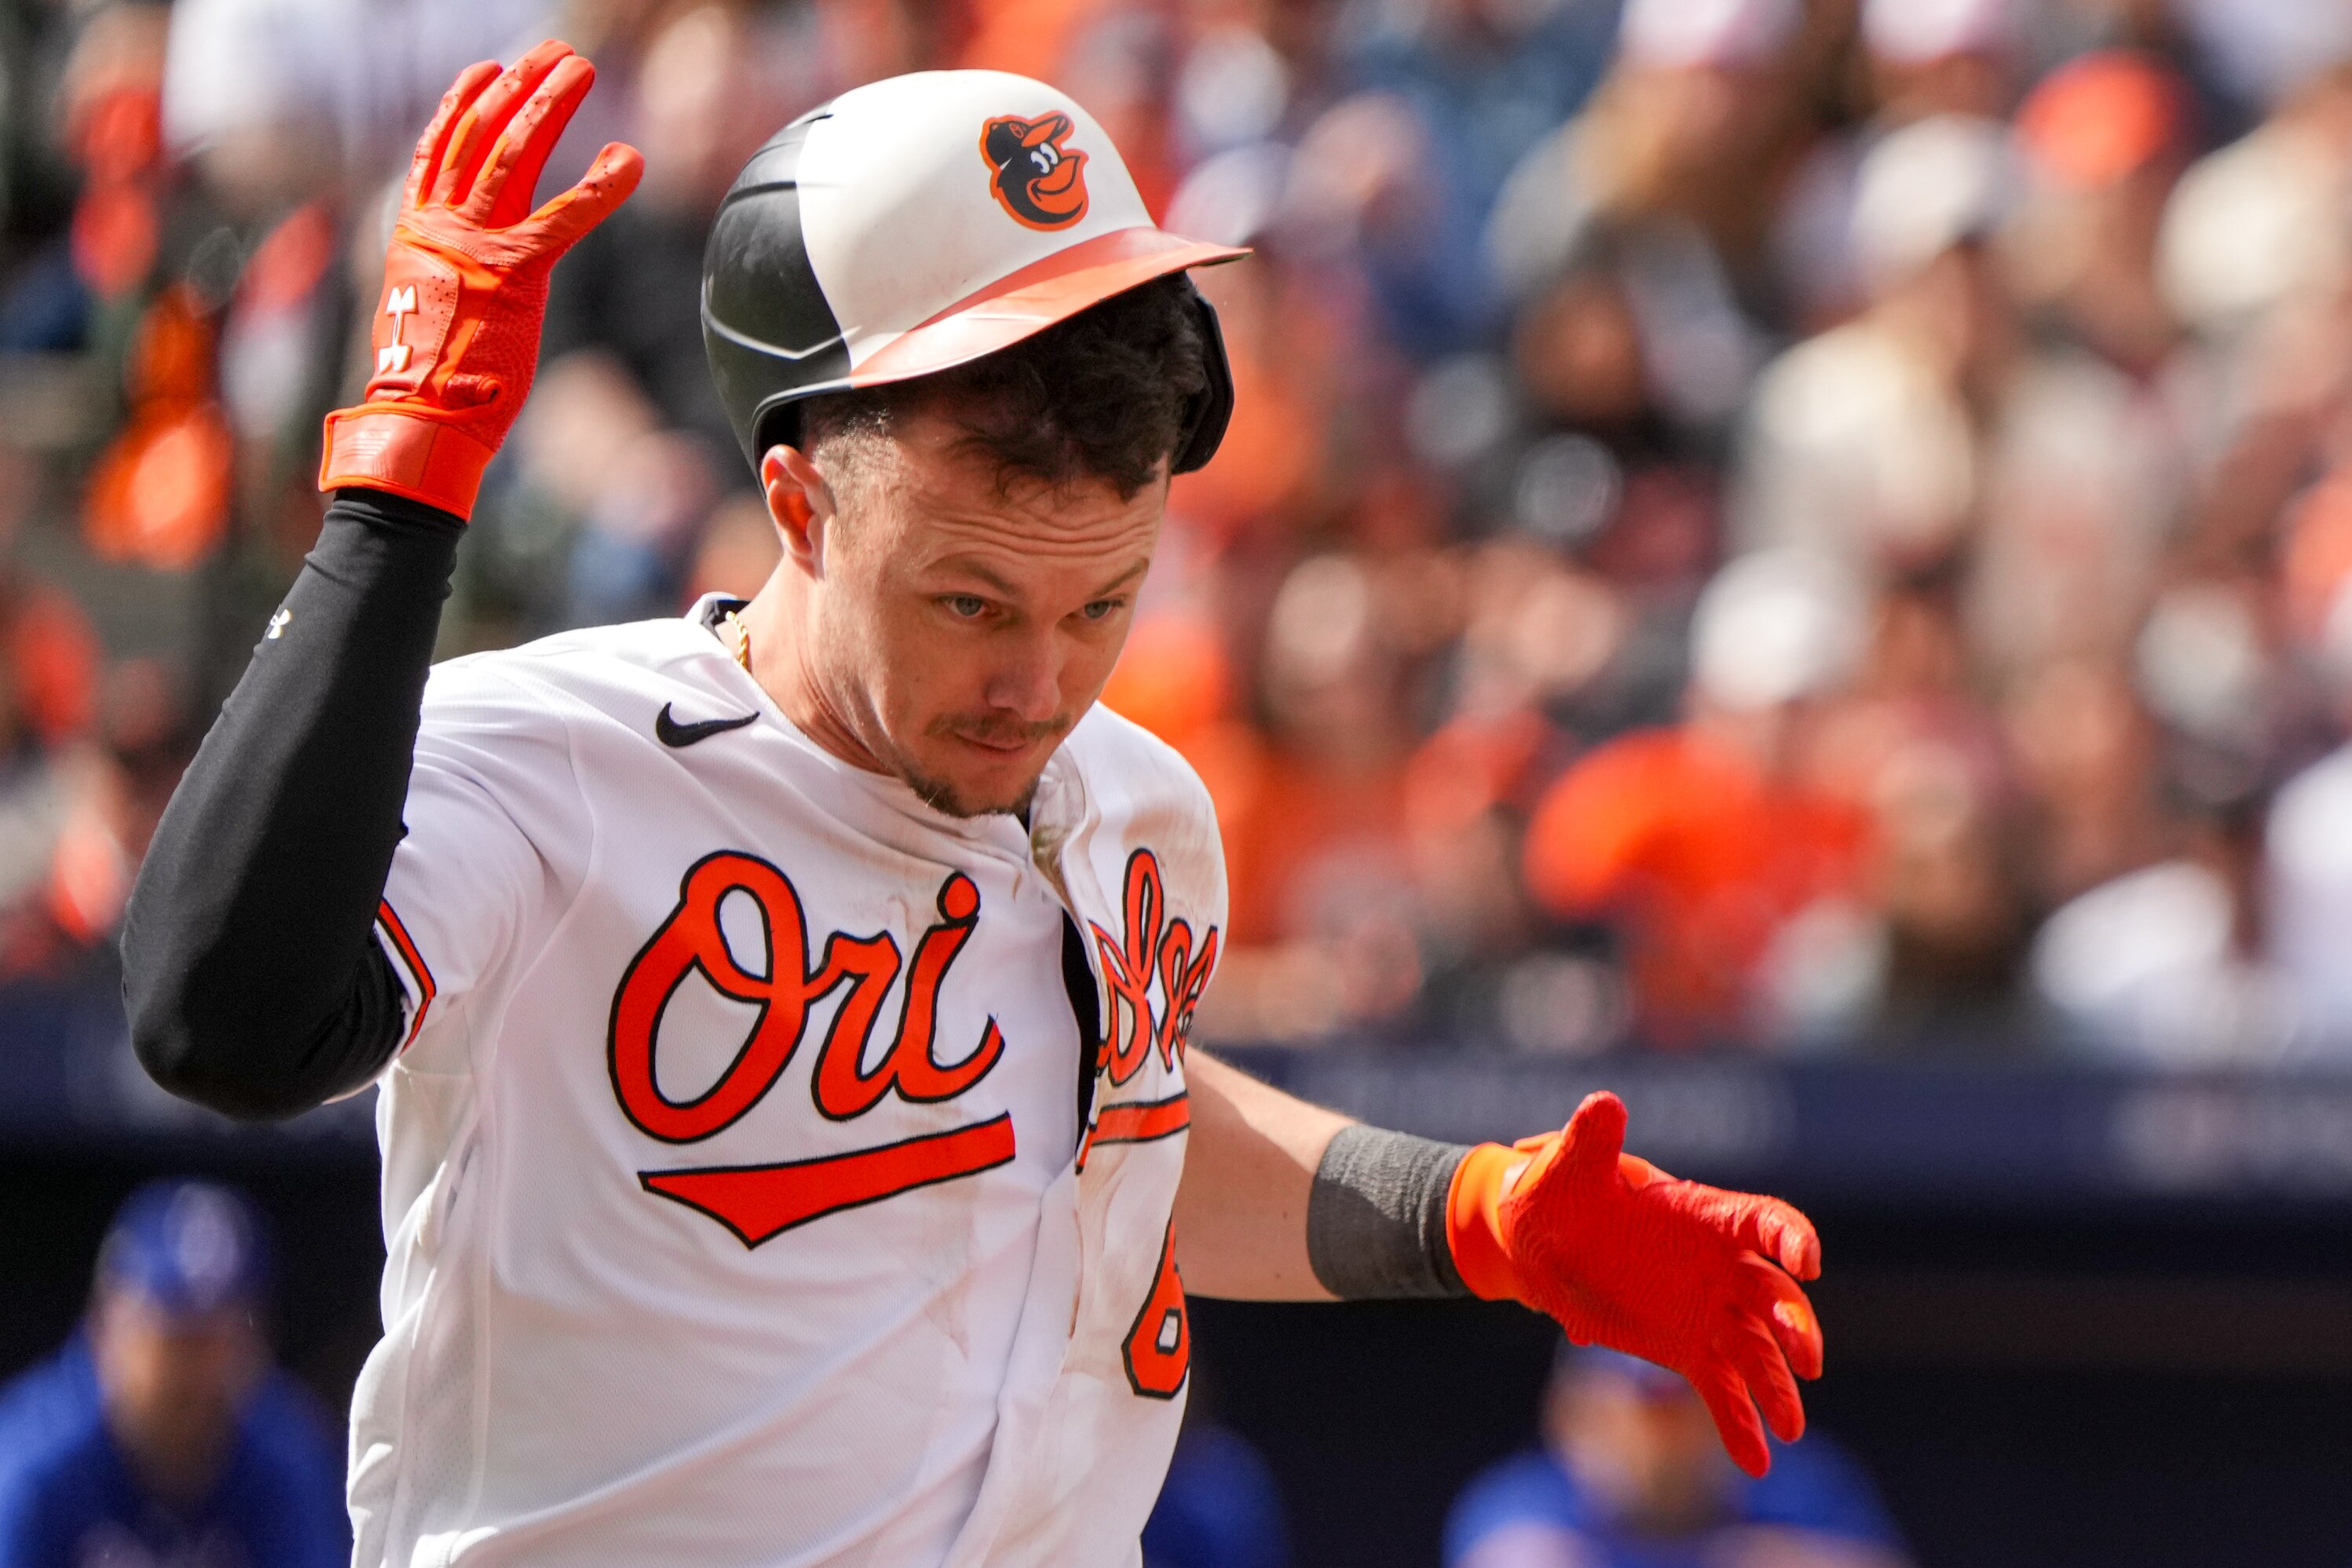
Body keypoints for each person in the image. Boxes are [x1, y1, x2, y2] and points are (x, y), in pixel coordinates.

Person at [120, 44, 1824, 1567]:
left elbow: (1103, 1128)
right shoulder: (551, 756)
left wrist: (1462, 1210)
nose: (1043, 680)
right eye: (969, 602)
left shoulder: (1135, 803)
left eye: (1103, 605)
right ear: (797, 502)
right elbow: (225, 1022)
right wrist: (393, 509)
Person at [0, 1181, 349, 1568]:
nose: (201, 1371)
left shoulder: (287, 1455)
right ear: (108, 1329)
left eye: (222, 1341)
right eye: (178, 1341)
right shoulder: (33, 1462)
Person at [1446, 1346, 1908, 1568]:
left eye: (1693, 1400)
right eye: (1650, 1407)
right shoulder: (1524, 1500)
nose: (1666, 1436)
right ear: (1574, 1413)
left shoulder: (1798, 1485)